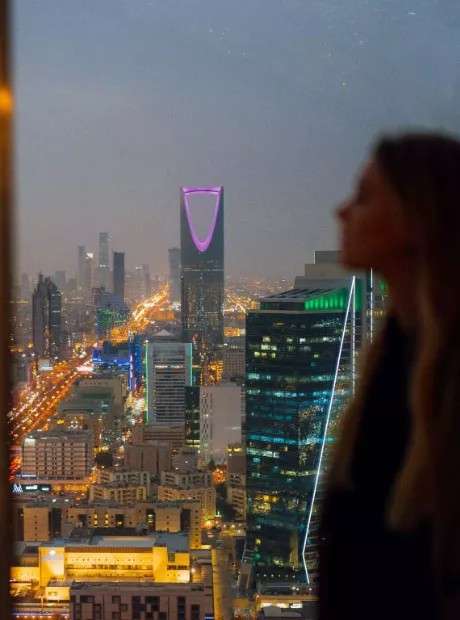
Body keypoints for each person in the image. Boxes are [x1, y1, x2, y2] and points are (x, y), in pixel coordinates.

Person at [319, 133, 460, 620]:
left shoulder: (439, 374)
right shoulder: (394, 351)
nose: (342, 212)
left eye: (364, 197)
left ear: (417, 217)